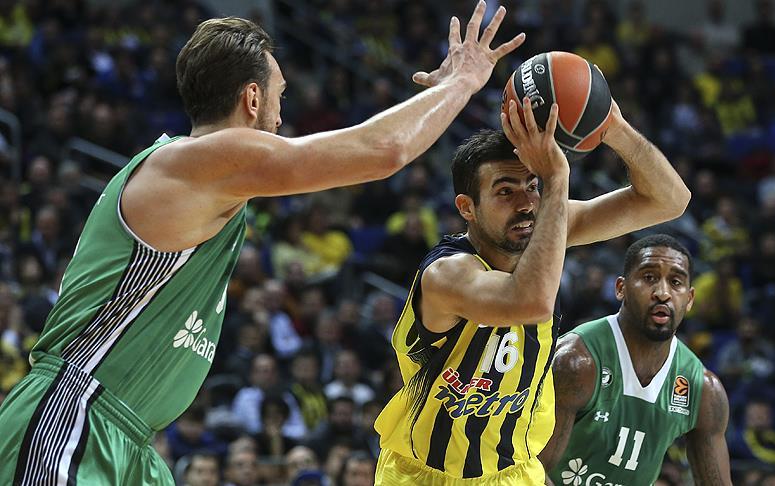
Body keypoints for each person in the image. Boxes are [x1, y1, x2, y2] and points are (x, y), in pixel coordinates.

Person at [0, 2, 525, 483]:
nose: (281, 115)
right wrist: (461, 83)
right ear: (252, 98)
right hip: (74, 416)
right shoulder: (198, 162)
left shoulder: (205, 178)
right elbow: (382, 150)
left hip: (128, 439)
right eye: (279, 95)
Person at [374, 90, 691, 482]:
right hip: (425, 475)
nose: (526, 204)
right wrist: (556, 177)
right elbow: (531, 302)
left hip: (515, 472)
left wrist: (612, 127)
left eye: (532, 185)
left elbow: (670, 200)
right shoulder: (447, 274)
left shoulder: (545, 227)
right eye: (505, 191)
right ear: (467, 207)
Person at [539, 235, 731, 485]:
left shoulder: (702, 389)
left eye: (675, 282)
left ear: (690, 299)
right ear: (621, 288)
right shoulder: (576, 361)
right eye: (649, 278)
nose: (662, 293)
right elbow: (531, 469)